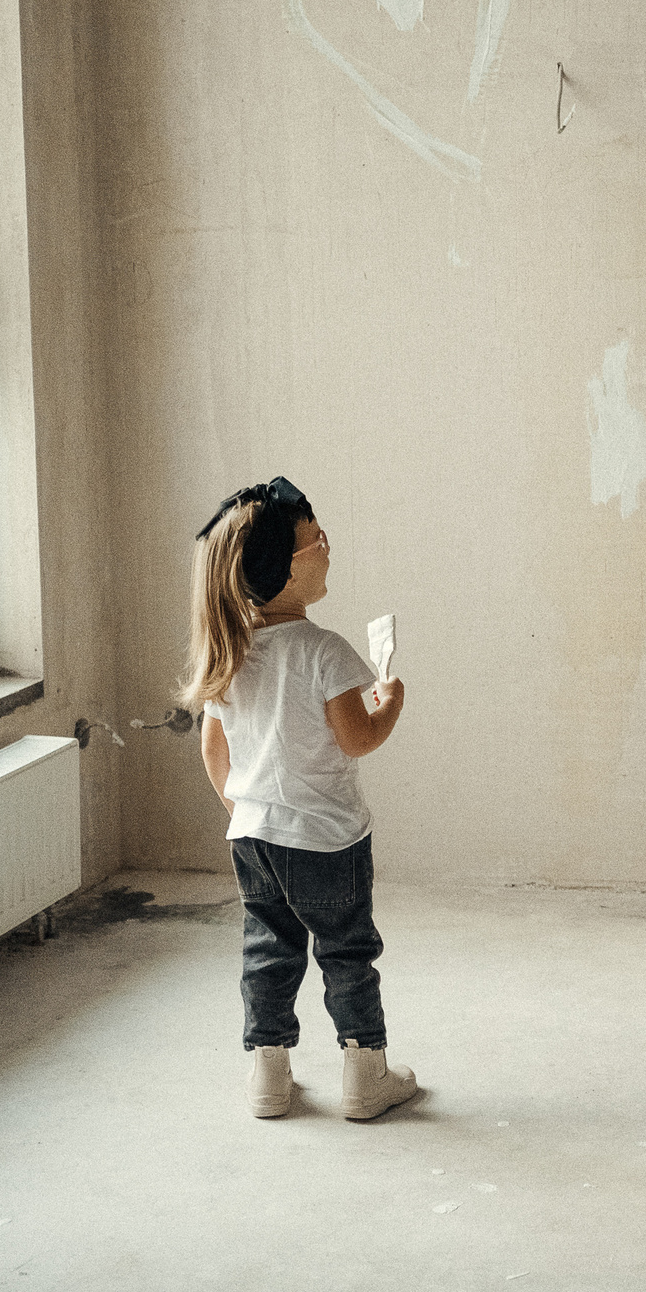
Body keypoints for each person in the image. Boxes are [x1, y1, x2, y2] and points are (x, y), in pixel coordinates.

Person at [182, 476, 419, 1122]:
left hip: (255, 839)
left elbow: (213, 753)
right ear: (286, 569)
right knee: (346, 952)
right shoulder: (326, 653)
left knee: (269, 947)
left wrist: (244, 810)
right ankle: (364, 1071)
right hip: (327, 841)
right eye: (317, 539)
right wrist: (390, 699)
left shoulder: (231, 656)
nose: (327, 545)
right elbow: (359, 737)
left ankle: (267, 1074)